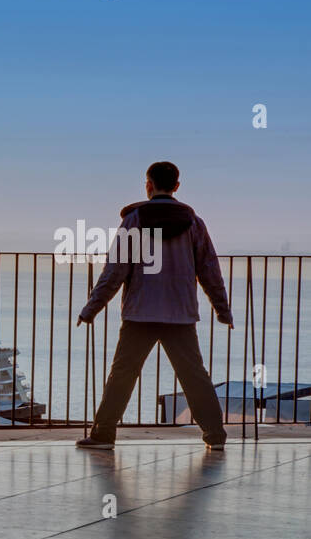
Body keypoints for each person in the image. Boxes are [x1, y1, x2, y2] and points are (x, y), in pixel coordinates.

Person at [76, 161, 233, 450]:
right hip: (180, 314)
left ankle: (103, 435)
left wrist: (91, 308)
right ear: (176, 186)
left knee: (122, 374)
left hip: (140, 313)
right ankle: (215, 436)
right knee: (194, 376)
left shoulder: (134, 221)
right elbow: (210, 270)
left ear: (148, 185)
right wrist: (223, 310)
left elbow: (115, 271)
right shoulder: (194, 223)